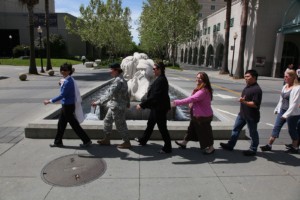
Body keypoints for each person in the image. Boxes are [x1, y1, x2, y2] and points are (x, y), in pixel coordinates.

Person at [44, 63, 92, 148]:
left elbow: (62, 95)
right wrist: (60, 83)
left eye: (65, 70)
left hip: (68, 106)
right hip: (66, 105)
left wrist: (50, 101)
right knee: (61, 124)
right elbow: (64, 83)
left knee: (74, 125)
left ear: (69, 71)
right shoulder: (68, 80)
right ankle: (58, 142)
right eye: (61, 69)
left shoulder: (68, 82)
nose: (63, 71)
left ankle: (86, 140)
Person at [220, 69, 262, 156]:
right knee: (235, 129)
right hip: (242, 114)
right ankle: (230, 145)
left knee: (253, 133)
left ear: (254, 77)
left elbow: (255, 104)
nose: (245, 78)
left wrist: (244, 102)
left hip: (251, 116)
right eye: (245, 76)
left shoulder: (257, 90)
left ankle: (253, 149)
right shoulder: (248, 86)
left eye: (248, 76)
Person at [172, 72, 215, 154]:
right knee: (191, 130)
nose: (198, 79)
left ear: (204, 80)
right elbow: (194, 100)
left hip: (203, 116)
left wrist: (176, 102)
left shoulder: (203, 91)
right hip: (197, 115)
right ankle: (184, 143)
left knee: (205, 133)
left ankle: (211, 148)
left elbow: (191, 99)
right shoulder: (200, 88)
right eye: (197, 77)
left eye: (200, 78)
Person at [91, 63, 131, 149]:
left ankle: (127, 142)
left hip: (117, 107)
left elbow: (109, 94)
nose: (110, 71)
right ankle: (106, 139)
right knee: (107, 121)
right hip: (114, 106)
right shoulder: (121, 79)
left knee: (120, 124)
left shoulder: (118, 81)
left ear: (116, 70)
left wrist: (97, 102)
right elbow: (126, 93)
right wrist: (128, 102)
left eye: (111, 69)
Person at [135, 62, 172, 153]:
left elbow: (155, 96)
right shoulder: (159, 78)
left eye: (154, 69)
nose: (153, 70)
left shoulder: (161, 80)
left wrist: (142, 105)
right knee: (150, 124)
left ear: (159, 69)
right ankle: (143, 140)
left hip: (160, 108)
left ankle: (168, 147)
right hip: (157, 107)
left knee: (162, 128)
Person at [260, 69, 298, 152]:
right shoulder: (285, 86)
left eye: (286, 76)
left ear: (292, 77)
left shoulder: (297, 88)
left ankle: (295, 147)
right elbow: (281, 99)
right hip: (282, 110)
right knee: (276, 127)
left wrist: (286, 115)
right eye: (284, 76)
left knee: (292, 130)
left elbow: (294, 104)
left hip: (293, 113)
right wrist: (277, 108)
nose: (284, 78)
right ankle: (269, 145)